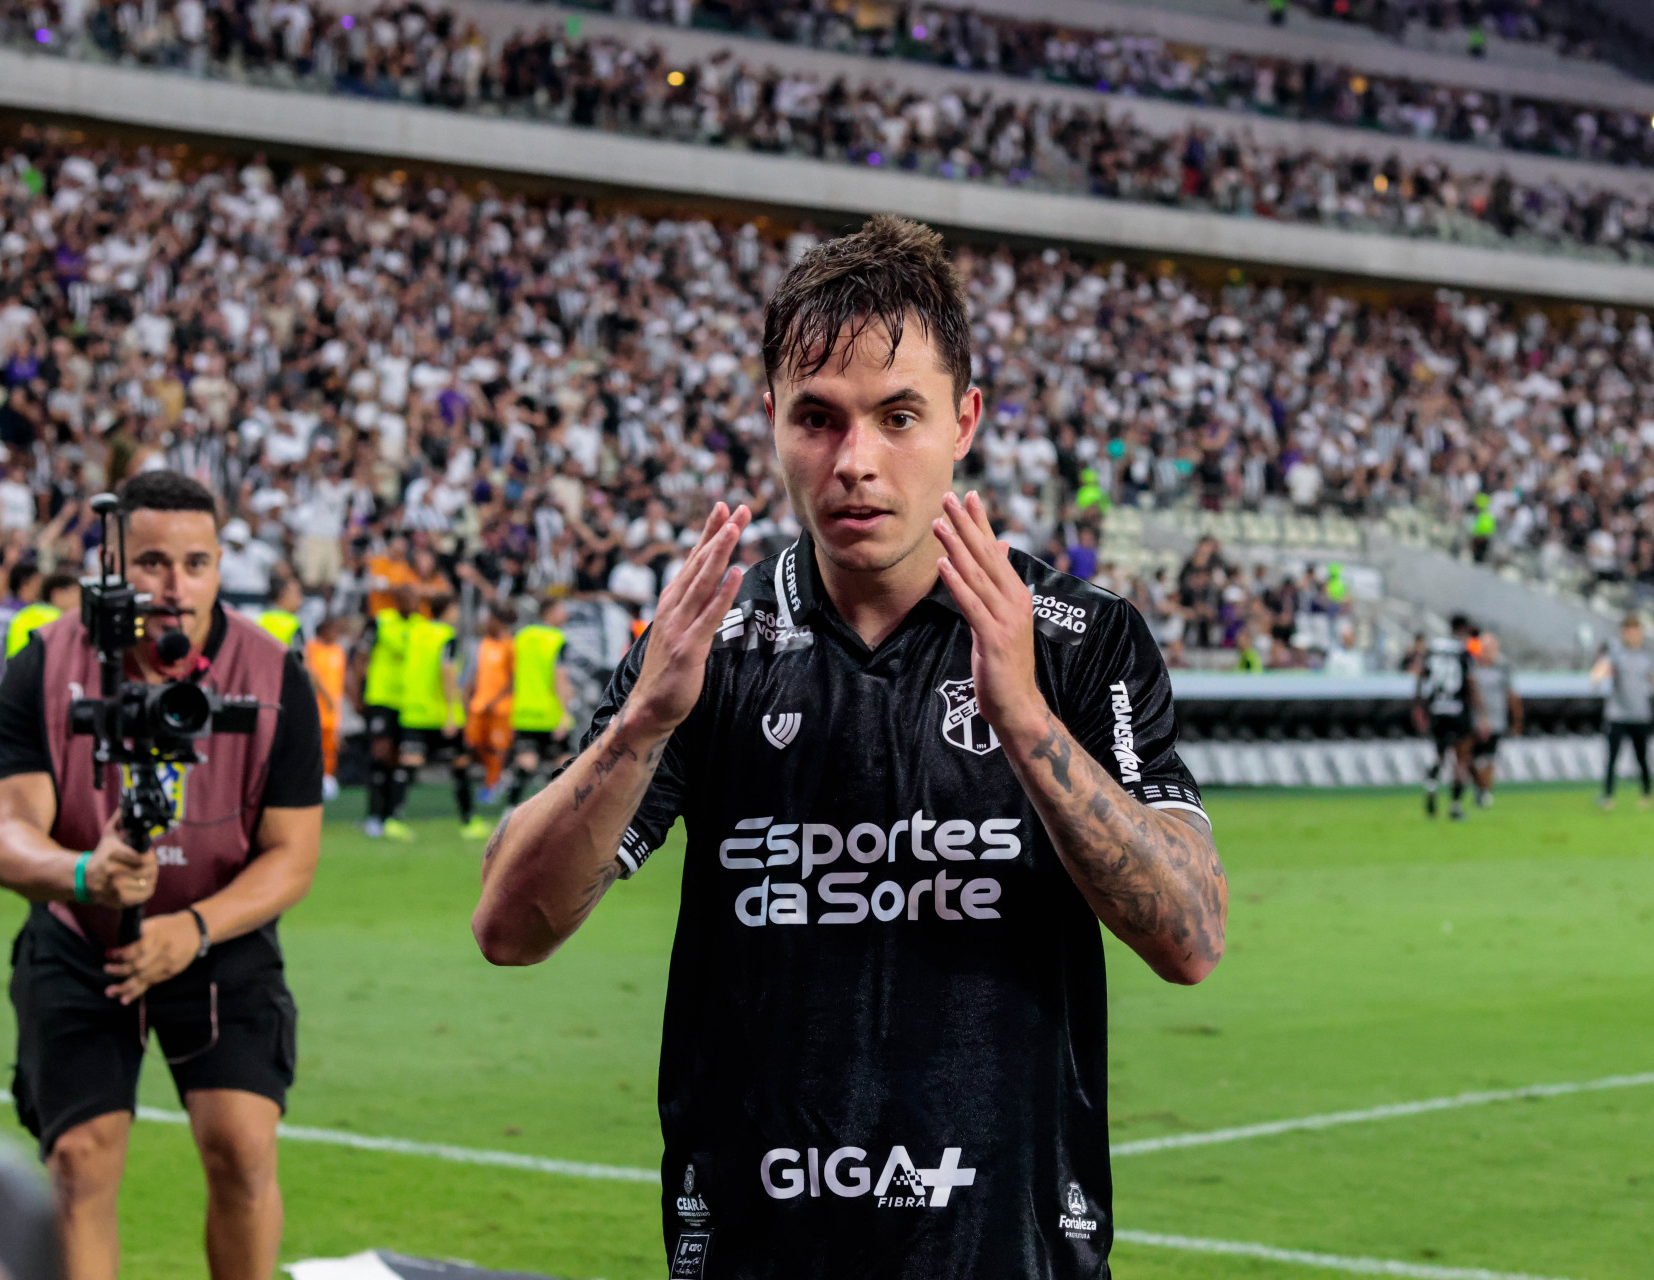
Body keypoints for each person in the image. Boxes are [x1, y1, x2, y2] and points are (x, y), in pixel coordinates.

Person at [475, 215, 1226, 1279]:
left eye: (898, 416)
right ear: (771, 420)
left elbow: (1191, 935)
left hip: (1004, 1255)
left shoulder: (1077, 639)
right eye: (818, 419)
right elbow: (510, 926)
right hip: (757, 1254)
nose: (856, 462)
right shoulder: (709, 644)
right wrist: (643, 723)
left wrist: (1023, 718)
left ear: (965, 421)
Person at [0, 471, 323, 1280]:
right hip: (81, 934)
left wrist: (192, 929)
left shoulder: (274, 673)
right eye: (152, 563)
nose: (175, 587)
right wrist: (82, 872)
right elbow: (7, 838)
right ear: (111, 565)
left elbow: (293, 854)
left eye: (196, 564)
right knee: (79, 1158)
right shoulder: (44, 664)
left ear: (219, 567)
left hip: (217, 934)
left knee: (242, 1146)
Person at [397, 594, 477, 837]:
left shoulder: (416, 633)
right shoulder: (447, 636)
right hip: (441, 713)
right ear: (448, 610)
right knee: (460, 764)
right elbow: (447, 672)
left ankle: (393, 819)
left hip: (413, 710)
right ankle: (468, 821)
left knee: (410, 763)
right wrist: (452, 711)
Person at [1591, 614, 1654, 810]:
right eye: (1629, 632)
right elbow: (1603, 667)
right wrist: (1596, 677)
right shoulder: (1616, 653)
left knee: (1642, 758)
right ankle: (1608, 796)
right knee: (1612, 758)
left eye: (1636, 632)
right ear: (1623, 633)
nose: (1633, 636)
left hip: (1640, 714)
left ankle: (1646, 794)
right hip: (1617, 714)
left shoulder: (1646, 656)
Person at [503, 597, 575, 807]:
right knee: (565, 765)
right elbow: (560, 678)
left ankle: (510, 810)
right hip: (550, 713)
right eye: (561, 609)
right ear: (549, 612)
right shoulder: (558, 639)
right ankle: (558, 811)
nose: (565, 614)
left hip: (524, 712)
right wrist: (565, 713)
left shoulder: (521, 636)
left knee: (526, 763)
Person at [356, 585, 415, 841]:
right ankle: (373, 816)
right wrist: (359, 691)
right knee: (380, 754)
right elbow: (361, 657)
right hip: (381, 697)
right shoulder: (380, 622)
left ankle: (392, 815)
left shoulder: (419, 626)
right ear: (397, 600)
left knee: (399, 758)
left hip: (408, 701)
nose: (413, 602)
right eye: (408, 597)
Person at [1413, 614, 1483, 821]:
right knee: (1461, 759)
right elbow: (1471, 683)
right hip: (1459, 709)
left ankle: (1431, 786)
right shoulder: (1463, 651)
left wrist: (1418, 705)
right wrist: (1481, 713)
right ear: (1463, 628)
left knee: (1439, 755)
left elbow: (1421, 677)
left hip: (1437, 709)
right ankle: (1455, 806)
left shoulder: (1433, 648)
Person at [464, 603, 515, 809]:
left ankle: (492, 785)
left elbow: (512, 679)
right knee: (473, 744)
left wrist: (493, 701)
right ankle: (497, 777)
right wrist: (468, 694)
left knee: (496, 748)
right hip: (479, 706)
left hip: (499, 708)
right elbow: (478, 673)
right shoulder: (484, 644)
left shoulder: (509, 645)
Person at [1469, 632, 1522, 808]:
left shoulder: (1502, 670)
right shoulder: (1471, 669)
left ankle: (1485, 791)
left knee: (1489, 758)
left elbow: (1511, 695)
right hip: (1474, 721)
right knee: (1472, 759)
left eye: (1491, 648)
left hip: (1496, 720)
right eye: (1485, 648)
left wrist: (1516, 720)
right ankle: (1481, 787)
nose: (1488, 652)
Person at [304, 615, 349, 803]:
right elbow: (311, 673)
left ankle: (327, 780)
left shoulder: (338, 651)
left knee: (330, 748)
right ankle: (310, 780)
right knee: (312, 746)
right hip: (314, 709)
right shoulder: (311, 648)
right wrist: (326, 696)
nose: (336, 634)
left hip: (332, 712)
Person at [6, 574, 81, 661]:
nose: (80, 599)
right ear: (56, 593)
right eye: (76, 592)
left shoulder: (24, 614)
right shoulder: (58, 619)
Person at [258, 576, 306, 653]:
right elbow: (299, 656)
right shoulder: (293, 623)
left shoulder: (259, 619)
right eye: (297, 594)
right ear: (282, 593)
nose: (301, 600)